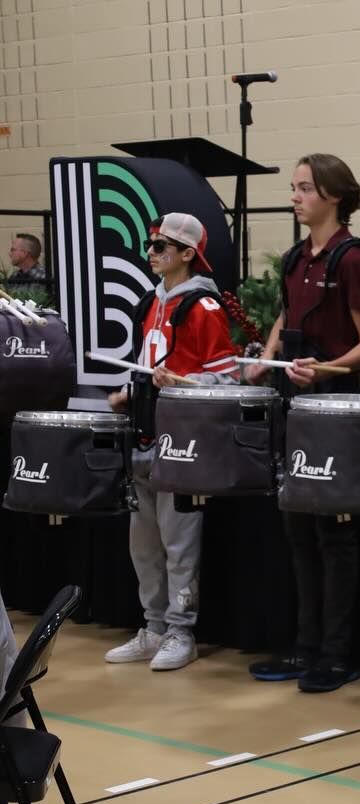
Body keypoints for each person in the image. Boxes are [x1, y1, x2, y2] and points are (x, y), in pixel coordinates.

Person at [245, 154, 360, 692]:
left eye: (305, 187)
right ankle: (304, 646)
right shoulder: (294, 258)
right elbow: (284, 314)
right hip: (291, 402)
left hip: (334, 408)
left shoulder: (352, 259)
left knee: (334, 535)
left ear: (333, 195)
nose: (295, 196)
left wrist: (324, 368)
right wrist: (268, 355)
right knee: (296, 528)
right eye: (294, 187)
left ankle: (337, 651)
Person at [104, 213, 238, 671]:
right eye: (150, 244)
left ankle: (182, 629)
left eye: (162, 246)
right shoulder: (149, 302)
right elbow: (145, 363)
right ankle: (154, 626)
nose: (152, 253)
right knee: (143, 542)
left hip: (183, 442)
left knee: (179, 543)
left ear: (187, 255)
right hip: (144, 433)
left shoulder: (204, 307)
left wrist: (182, 383)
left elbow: (227, 381)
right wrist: (131, 392)